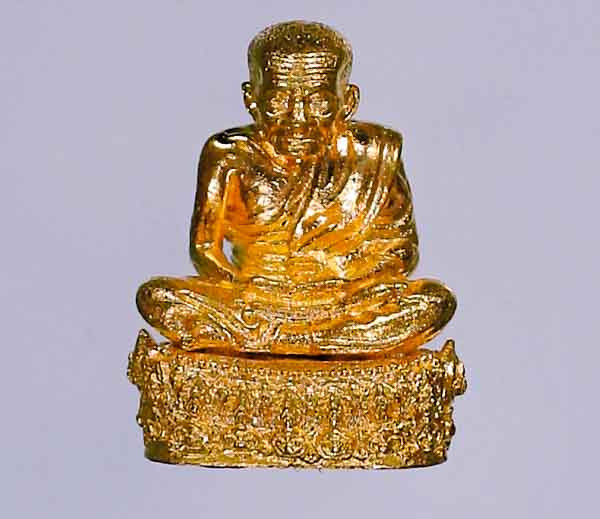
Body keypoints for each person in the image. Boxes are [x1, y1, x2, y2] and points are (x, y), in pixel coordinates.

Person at [136, 21, 456, 356]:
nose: (298, 119)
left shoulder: (374, 154)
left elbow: (401, 251)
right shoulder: (228, 155)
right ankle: (327, 342)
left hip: (342, 301)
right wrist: (248, 286)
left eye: (319, 104)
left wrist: (340, 279)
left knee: (435, 301)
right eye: (278, 102)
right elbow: (204, 249)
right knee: (158, 297)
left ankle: (272, 340)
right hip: (256, 300)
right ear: (251, 99)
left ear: (348, 101)